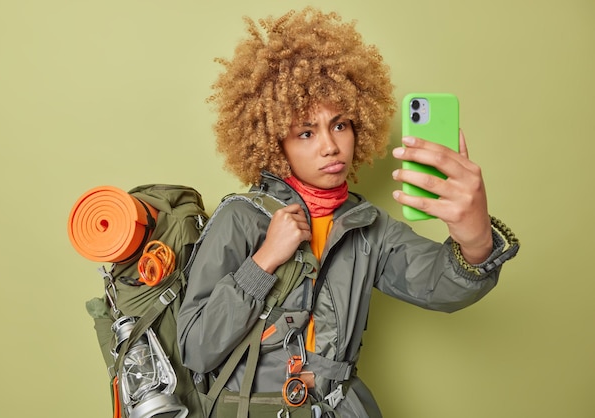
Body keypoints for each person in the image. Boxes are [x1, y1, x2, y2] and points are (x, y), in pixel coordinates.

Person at [177, 7, 518, 417]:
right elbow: (195, 350)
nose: (330, 146)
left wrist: (475, 237)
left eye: (340, 125)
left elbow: (441, 287)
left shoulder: (368, 226)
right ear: (273, 143)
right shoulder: (241, 218)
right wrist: (264, 261)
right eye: (306, 132)